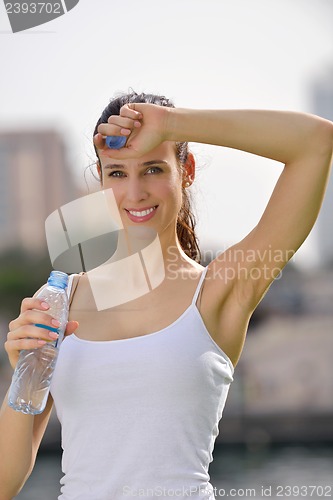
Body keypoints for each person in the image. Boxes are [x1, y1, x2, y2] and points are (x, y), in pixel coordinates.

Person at [1, 91, 332, 500]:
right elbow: (5, 481)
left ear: (186, 170)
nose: (135, 192)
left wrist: (172, 125)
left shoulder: (218, 290)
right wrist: (23, 372)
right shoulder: (59, 299)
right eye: (117, 173)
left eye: (153, 169)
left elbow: (315, 143)